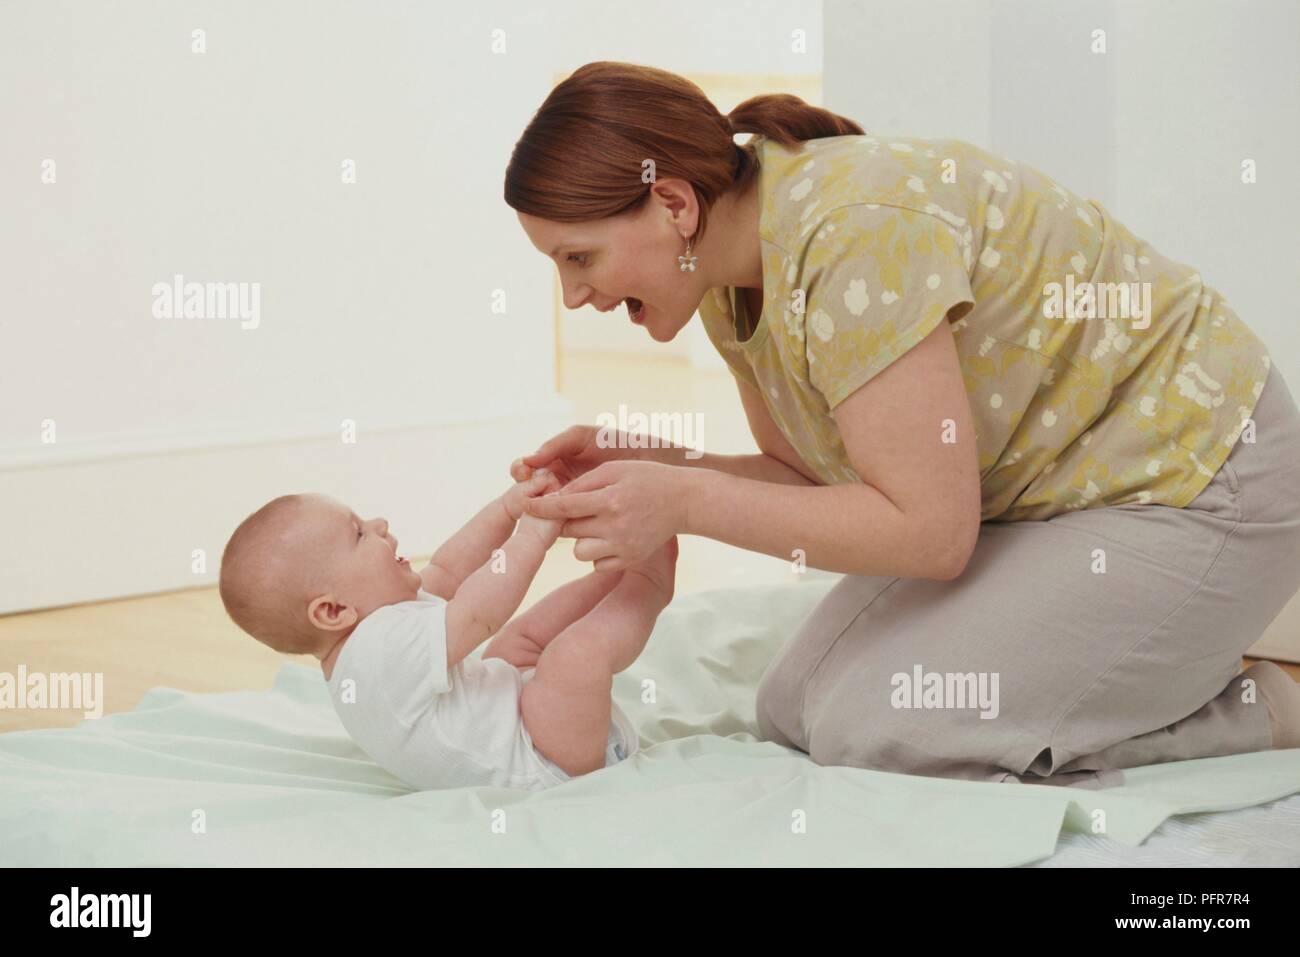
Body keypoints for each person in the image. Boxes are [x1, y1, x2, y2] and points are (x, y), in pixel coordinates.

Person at [502, 60, 1300, 788]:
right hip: (1061, 496)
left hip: (1206, 484)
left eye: (579, 257)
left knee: (875, 727)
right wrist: (660, 465)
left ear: (673, 203)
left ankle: (1250, 704)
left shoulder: (853, 235)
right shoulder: (725, 275)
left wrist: (681, 504)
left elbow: (930, 534)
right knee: (793, 703)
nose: (575, 296)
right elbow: (813, 483)